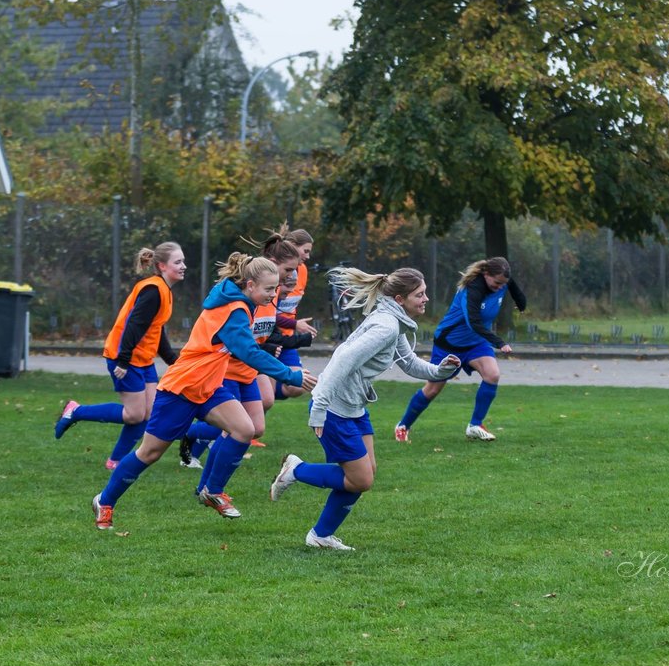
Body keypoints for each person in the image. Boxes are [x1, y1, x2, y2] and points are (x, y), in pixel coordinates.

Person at [90, 253, 317, 530]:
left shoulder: (242, 303)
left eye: (275, 288)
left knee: (245, 430)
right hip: (182, 388)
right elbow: (248, 352)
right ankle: (105, 500)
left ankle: (212, 490)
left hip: (210, 387)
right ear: (249, 285)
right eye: (269, 289)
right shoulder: (234, 310)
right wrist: (290, 374)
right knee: (149, 453)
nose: (273, 294)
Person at [268, 267, 460, 550]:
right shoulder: (386, 326)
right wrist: (319, 407)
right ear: (399, 298)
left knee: (365, 472)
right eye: (420, 294)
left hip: (354, 407)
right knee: (361, 479)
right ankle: (297, 470)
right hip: (334, 408)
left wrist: (440, 371)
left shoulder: (393, 321)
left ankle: (320, 536)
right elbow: (341, 359)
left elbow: (408, 362)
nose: (426, 299)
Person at [177, 235, 309, 468]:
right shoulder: (250, 296)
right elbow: (241, 342)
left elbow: (267, 329)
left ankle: (197, 438)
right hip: (228, 368)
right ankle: (207, 476)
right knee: (238, 427)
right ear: (271, 263)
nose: (292, 276)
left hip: (250, 366)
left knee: (256, 425)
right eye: (288, 269)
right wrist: (270, 351)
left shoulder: (272, 292)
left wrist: (290, 337)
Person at [54, 242, 185, 468]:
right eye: (178, 262)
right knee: (134, 415)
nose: (183, 266)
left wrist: (173, 361)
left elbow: (156, 329)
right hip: (124, 357)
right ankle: (76, 411)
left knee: (149, 413)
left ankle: (115, 461)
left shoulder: (164, 290)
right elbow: (133, 325)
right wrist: (123, 360)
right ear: (162, 266)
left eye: (183, 261)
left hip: (142, 359)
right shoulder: (153, 290)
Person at [395, 256, 526, 442]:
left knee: (492, 374)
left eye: (503, 284)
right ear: (486, 274)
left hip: (476, 343)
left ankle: (475, 425)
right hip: (449, 344)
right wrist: (499, 342)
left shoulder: (502, 282)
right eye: (497, 283)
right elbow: (473, 322)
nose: (500, 287)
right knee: (432, 390)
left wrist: (522, 304)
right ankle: (403, 426)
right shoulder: (471, 289)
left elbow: (514, 290)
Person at [270, 228, 317, 399]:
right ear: (291, 246)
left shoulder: (302, 270)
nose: (308, 256)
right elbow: (266, 315)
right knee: (263, 398)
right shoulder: (272, 271)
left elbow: (288, 306)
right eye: (305, 251)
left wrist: (293, 324)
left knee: (299, 385)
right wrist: (295, 324)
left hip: (286, 338)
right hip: (267, 338)